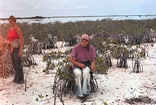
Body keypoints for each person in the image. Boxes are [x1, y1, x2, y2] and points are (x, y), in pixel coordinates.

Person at [68, 34, 96, 99]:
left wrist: (92, 64)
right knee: (78, 74)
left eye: (86, 41)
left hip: (86, 64)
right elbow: (70, 59)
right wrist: (78, 64)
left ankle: (85, 92)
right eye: (83, 41)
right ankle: (79, 93)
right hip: (76, 64)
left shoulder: (91, 48)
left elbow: (93, 60)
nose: (84, 43)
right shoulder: (76, 47)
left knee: (86, 73)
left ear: (88, 41)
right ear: (80, 41)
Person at [5, 15, 24, 84]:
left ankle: (21, 79)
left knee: (18, 63)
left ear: (14, 21)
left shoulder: (17, 29)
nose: (10, 22)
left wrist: (20, 50)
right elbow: (8, 38)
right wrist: (6, 41)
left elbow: (21, 39)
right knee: (14, 63)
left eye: (11, 21)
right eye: (9, 21)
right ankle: (16, 78)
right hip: (11, 48)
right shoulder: (10, 29)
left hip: (16, 47)